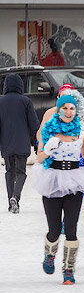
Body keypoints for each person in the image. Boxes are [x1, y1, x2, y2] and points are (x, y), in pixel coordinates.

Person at [34, 95, 84, 285]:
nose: (68, 112)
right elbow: (40, 158)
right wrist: (48, 148)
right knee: (54, 230)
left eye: (72, 108)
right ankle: (49, 254)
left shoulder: (80, 131)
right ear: (58, 110)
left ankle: (68, 270)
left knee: (71, 230)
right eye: (64, 108)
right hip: (53, 180)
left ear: (76, 111)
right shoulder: (48, 130)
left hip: (74, 180)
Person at [0, 73, 40, 213]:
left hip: (6, 143)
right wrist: (37, 143)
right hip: (22, 143)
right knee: (21, 172)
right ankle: (16, 197)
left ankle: (11, 203)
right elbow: (34, 124)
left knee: (9, 172)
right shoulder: (26, 101)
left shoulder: (1, 101)